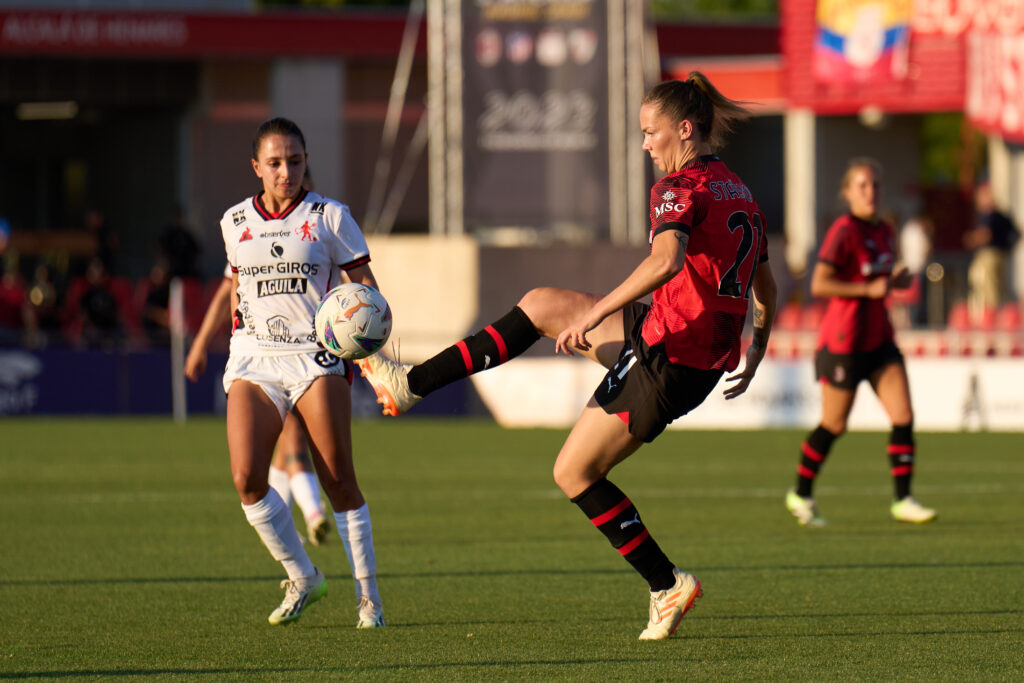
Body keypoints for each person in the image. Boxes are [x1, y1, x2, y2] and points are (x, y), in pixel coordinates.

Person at [357, 74, 778, 641]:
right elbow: (765, 285)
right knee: (541, 305)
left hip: (670, 356)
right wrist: (757, 347)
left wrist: (596, 312)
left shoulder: (678, 187)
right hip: (676, 338)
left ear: (684, 130)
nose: (645, 144)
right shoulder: (739, 191)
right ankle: (409, 384)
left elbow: (666, 261)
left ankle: (666, 584)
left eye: (650, 132)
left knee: (573, 472)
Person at [218, 117, 385, 627]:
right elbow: (236, 288)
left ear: (306, 160)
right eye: (274, 163)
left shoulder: (331, 216)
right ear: (256, 167)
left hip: (316, 357)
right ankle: (303, 575)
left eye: (294, 160)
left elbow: (367, 290)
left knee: (338, 481)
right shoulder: (234, 221)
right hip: (254, 357)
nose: (285, 172)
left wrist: (370, 350)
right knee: (247, 478)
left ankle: (369, 599)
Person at [785, 158, 937, 528]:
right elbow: (819, 284)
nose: (871, 192)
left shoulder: (885, 230)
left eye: (876, 185)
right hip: (844, 342)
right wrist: (868, 289)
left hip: (879, 338)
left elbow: (880, 280)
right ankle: (801, 493)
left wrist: (895, 283)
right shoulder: (844, 231)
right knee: (834, 424)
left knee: (903, 416)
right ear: (848, 193)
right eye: (863, 186)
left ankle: (903, 499)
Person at [185, 266, 333, 545]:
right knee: (292, 440)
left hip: (305, 352)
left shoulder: (315, 240)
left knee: (286, 448)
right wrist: (201, 343)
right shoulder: (244, 240)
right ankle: (313, 514)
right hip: (267, 358)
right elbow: (227, 290)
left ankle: (287, 526)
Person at [963, 179, 1019, 321]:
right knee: (1001, 285)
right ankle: (1005, 315)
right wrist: (1008, 248)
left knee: (988, 285)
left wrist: (972, 239)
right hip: (1002, 255)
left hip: (989, 254)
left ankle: (992, 317)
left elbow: (986, 235)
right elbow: (1017, 233)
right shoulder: (1003, 215)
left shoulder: (989, 215)